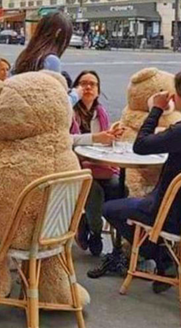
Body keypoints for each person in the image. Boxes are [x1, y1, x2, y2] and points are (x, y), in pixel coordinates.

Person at [88, 67, 181, 291]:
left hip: (172, 215)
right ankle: (165, 258)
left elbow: (141, 145)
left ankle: (162, 256)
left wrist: (156, 109)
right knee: (137, 202)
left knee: (110, 208)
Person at [70, 71, 126, 256]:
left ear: (98, 91)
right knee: (94, 191)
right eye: (83, 83)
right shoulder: (69, 111)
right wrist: (96, 138)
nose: (88, 87)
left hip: (100, 165)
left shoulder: (100, 112)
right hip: (75, 167)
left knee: (120, 188)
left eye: (92, 84)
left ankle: (91, 224)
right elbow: (65, 139)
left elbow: (103, 141)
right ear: (75, 88)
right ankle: (95, 231)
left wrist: (111, 136)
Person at [12, 12, 77, 104]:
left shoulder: (25, 55)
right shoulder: (51, 60)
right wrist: (76, 95)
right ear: (58, 34)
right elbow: (54, 103)